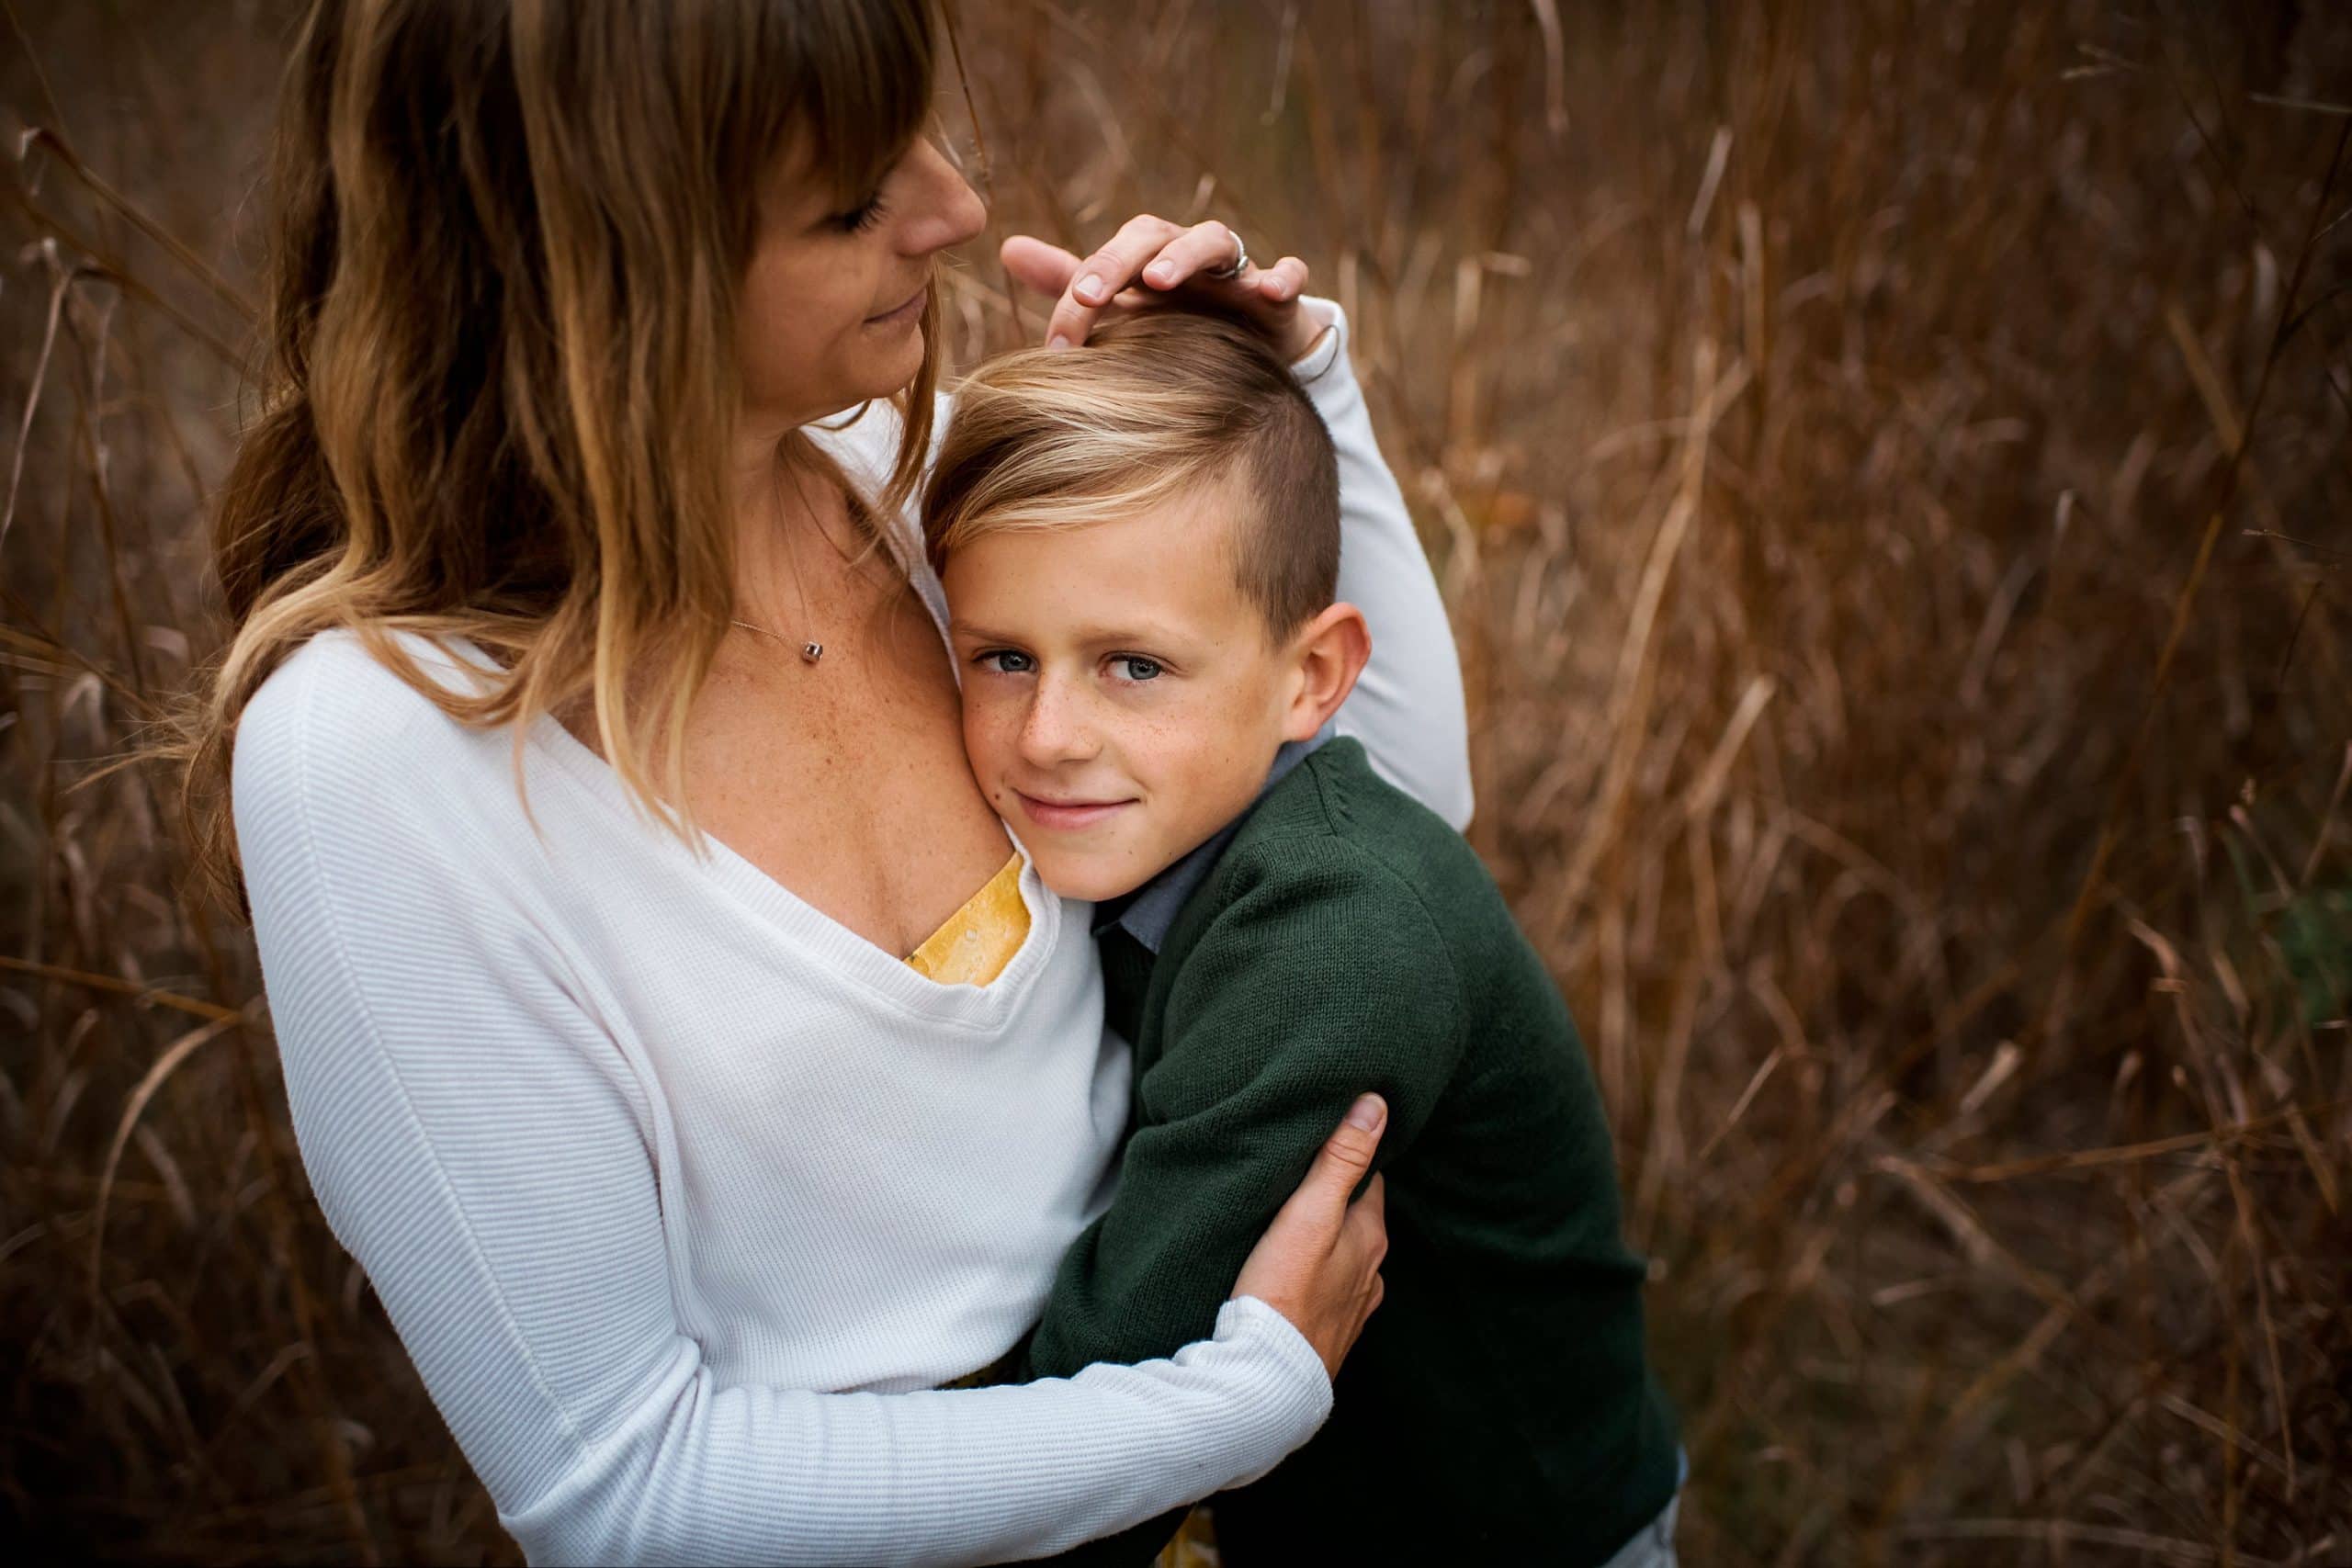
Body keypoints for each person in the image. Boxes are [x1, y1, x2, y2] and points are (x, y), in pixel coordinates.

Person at [183, 2, 1474, 1563]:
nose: (955, 210)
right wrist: (1227, 1407)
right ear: (612, 269)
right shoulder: (378, 761)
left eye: (917, 142)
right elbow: (626, 1495)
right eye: (854, 201)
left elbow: (1390, 807)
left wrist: (1299, 387)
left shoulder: (909, 493)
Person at [922, 311, 1683, 1566]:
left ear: (1312, 679)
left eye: (1133, 667)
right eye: (1003, 656)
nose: (1047, 733)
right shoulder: (1163, 829)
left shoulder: (1335, 940)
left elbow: (1117, 1396)